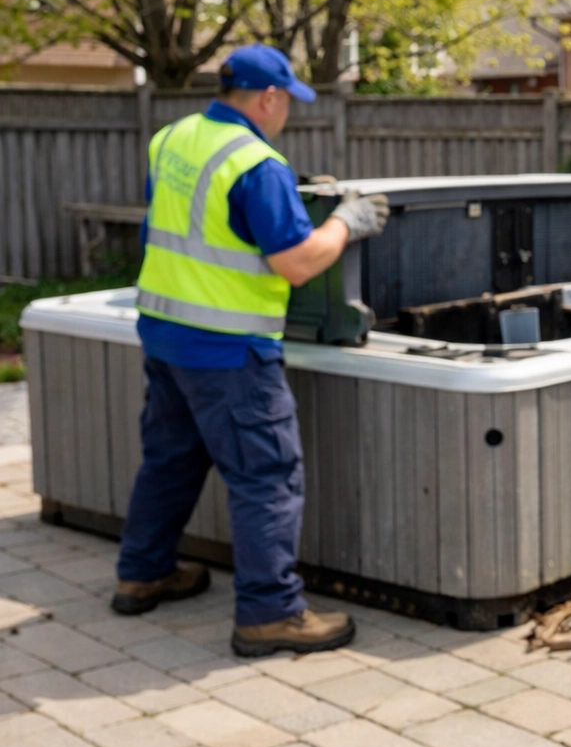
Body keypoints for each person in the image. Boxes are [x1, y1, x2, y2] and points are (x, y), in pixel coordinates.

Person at [112, 45, 390, 658]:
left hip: (165, 330)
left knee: (171, 459)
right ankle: (270, 612)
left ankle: (142, 572)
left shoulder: (173, 137)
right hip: (229, 348)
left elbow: (190, 223)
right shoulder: (255, 163)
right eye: (286, 98)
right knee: (267, 475)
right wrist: (348, 220)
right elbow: (296, 264)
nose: (286, 110)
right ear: (268, 98)